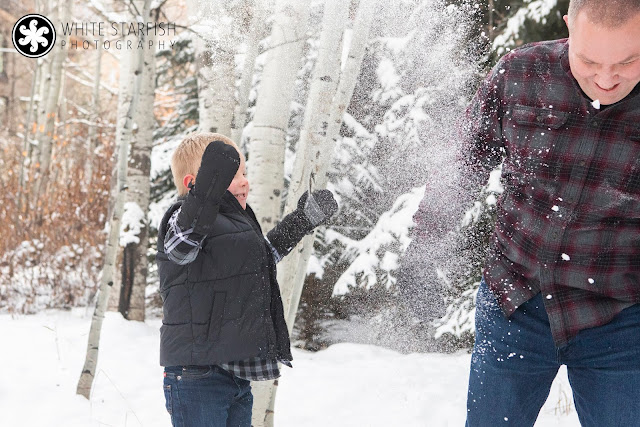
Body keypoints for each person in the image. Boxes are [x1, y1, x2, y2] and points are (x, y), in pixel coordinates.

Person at [400, 0, 640, 425]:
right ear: (568, 26)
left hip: (622, 317)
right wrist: (426, 243)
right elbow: (465, 163)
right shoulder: (521, 74)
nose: (606, 79)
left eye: (628, 61)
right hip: (515, 300)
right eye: (588, 60)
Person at [156, 132, 338, 427]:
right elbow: (181, 248)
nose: (244, 181)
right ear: (194, 184)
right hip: (196, 374)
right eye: (231, 174)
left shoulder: (236, 224)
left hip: (234, 372)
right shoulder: (181, 219)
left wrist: (301, 219)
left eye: (244, 172)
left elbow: (262, 260)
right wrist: (204, 195)